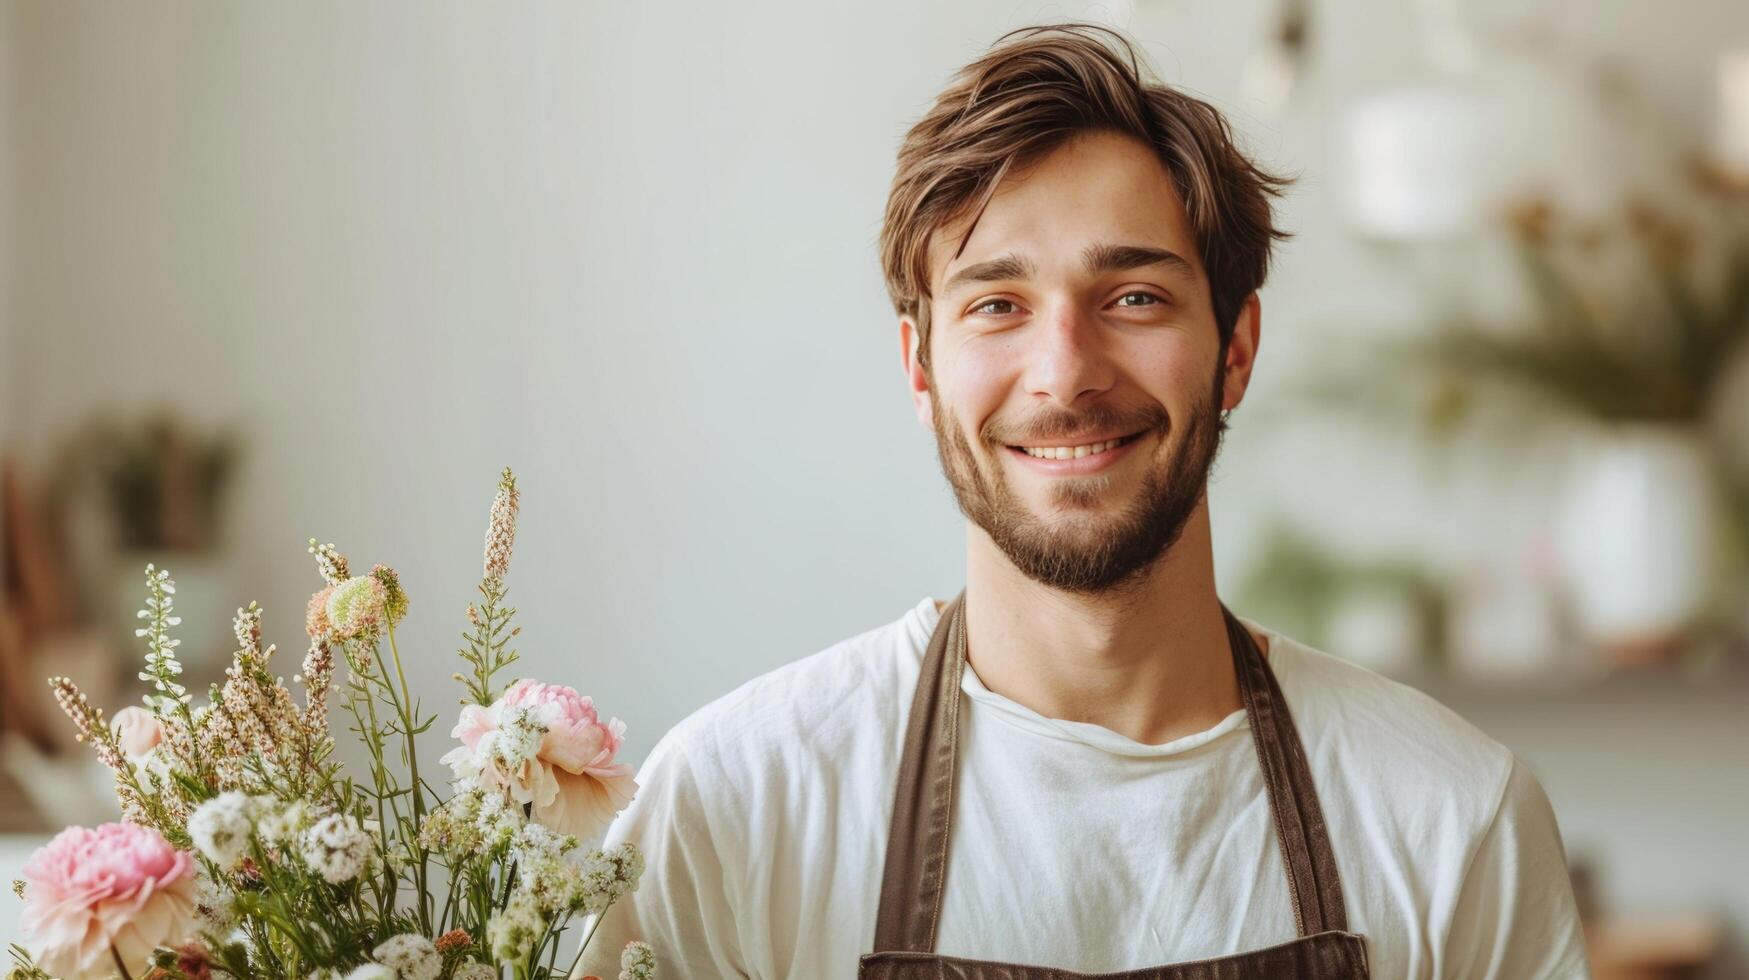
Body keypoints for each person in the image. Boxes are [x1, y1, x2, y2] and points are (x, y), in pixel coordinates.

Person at [574, 23, 1588, 980]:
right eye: (997, 305)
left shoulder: (1455, 819)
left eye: (1134, 297)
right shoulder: (734, 803)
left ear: (1235, 349)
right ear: (920, 369)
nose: (1064, 373)